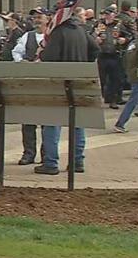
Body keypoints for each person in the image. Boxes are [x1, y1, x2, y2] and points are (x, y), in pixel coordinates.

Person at [35, 13, 99, 176]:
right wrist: (85, 63)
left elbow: (49, 57)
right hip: (79, 80)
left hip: (58, 82)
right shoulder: (81, 30)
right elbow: (95, 49)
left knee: (51, 123)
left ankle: (51, 162)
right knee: (78, 123)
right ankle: (77, 161)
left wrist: (41, 53)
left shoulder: (58, 32)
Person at [12, 11, 50, 164]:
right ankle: (28, 153)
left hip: (47, 84)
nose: (37, 21)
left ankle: (46, 153)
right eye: (35, 18)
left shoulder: (52, 37)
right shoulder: (28, 36)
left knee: (47, 122)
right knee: (28, 120)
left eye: (40, 18)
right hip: (29, 82)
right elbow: (16, 52)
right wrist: (22, 63)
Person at [113, 25, 138, 133]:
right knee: (133, 100)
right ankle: (120, 123)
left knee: (137, 98)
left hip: (131, 73)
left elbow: (126, 59)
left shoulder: (133, 43)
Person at [95, 7, 125, 109]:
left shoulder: (120, 25)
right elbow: (89, 34)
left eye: (109, 14)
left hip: (114, 55)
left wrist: (124, 39)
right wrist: (96, 38)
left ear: (114, 15)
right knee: (101, 79)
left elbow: (131, 35)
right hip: (102, 55)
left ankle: (113, 100)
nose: (107, 16)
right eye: (106, 14)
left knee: (115, 79)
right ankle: (101, 98)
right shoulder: (99, 24)